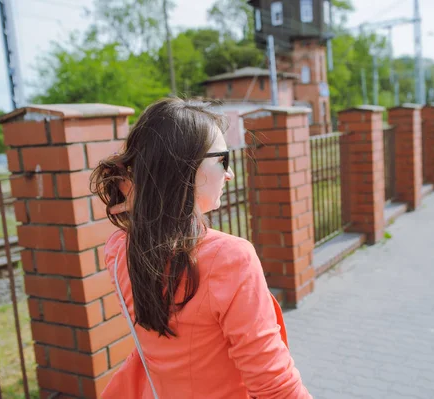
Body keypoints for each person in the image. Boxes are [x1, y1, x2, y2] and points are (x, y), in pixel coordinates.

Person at [91, 98, 312, 398]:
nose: (229, 174)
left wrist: (149, 192)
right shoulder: (231, 258)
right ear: (184, 169)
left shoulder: (120, 249)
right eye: (223, 160)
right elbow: (275, 385)